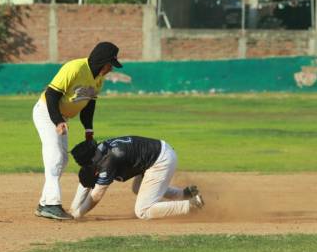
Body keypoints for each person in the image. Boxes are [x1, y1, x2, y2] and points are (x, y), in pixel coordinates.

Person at [32, 42, 122, 220]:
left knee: (62, 160)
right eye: (110, 64)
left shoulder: (99, 78)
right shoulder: (74, 67)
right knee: (55, 157)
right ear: (102, 61)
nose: (111, 68)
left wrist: (88, 130)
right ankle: (51, 204)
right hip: (47, 113)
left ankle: (44, 203)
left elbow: (89, 105)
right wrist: (57, 120)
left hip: (62, 118)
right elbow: (51, 94)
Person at [68, 136, 205, 220]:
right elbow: (87, 183)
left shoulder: (108, 161)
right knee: (138, 188)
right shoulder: (101, 150)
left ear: (90, 160)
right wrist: (73, 210)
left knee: (143, 211)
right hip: (158, 152)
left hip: (160, 161)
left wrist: (78, 214)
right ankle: (184, 194)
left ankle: (192, 204)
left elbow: (96, 194)